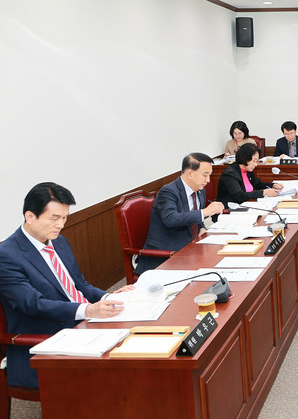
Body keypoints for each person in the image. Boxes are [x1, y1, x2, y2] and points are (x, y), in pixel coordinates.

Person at [0, 182, 134, 388]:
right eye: (54, 218)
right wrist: (87, 310)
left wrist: (108, 297)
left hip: (82, 323)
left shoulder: (60, 242)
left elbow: (80, 285)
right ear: (30, 216)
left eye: (64, 218)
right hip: (46, 338)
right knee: (121, 369)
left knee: (136, 342)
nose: (61, 225)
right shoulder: (7, 255)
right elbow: (34, 304)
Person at [135, 153, 225, 274]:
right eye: (205, 175)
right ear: (190, 173)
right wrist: (205, 212)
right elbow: (171, 219)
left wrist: (201, 228)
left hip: (191, 248)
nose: (208, 180)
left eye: (210, 175)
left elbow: (196, 219)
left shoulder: (200, 191)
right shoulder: (168, 191)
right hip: (166, 255)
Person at [217, 144, 283, 206]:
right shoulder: (230, 174)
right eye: (254, 161)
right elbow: (239, 196)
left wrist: (273, 185)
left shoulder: (247, 170)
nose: (256, 165)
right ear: (245, 158)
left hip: (246, 205)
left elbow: (258, 184)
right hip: (231, 209)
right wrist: (264, 192)